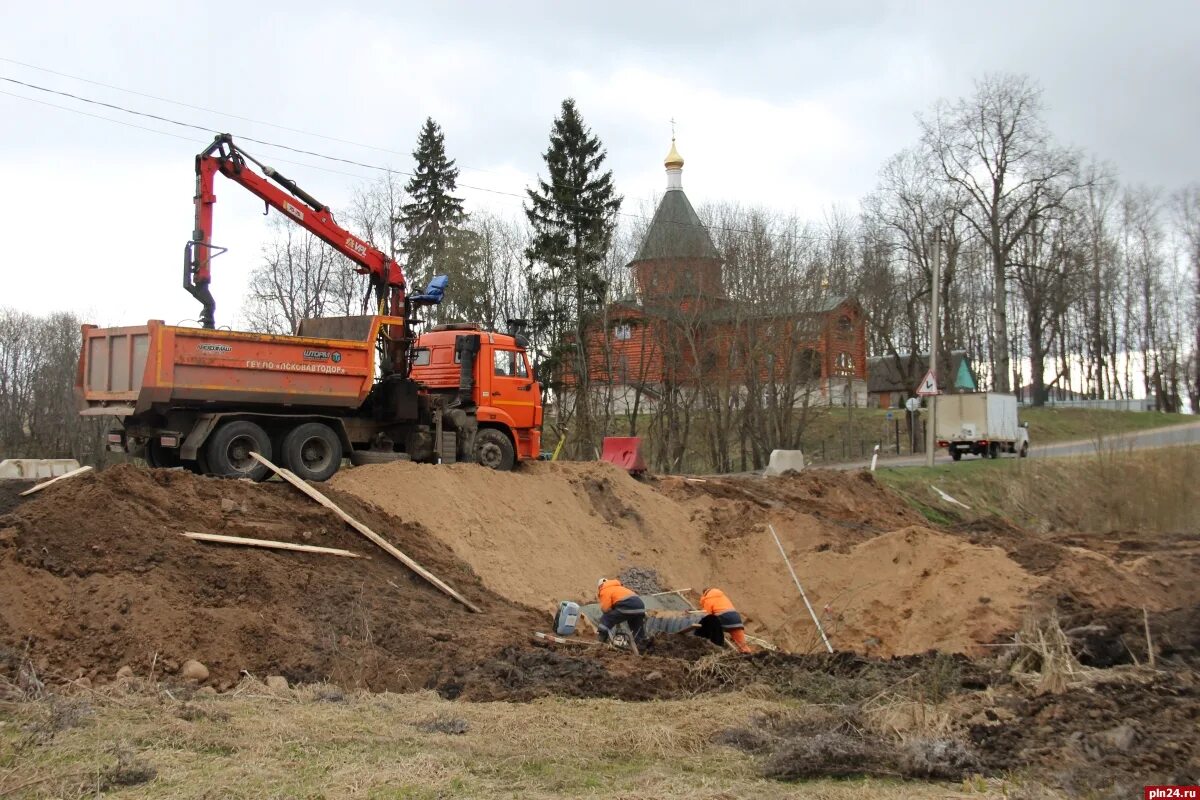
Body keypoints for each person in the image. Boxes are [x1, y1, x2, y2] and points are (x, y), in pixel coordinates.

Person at [697, 587, 752, 654]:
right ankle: (749, 656)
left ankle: (716, 649)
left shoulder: (707, 599)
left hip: (724, 618)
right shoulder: (722, 596)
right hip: (736, 618)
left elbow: (707, 614)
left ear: (704, 594)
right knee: (742, 644)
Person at [595, 577, 647, 646]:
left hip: (627, 605)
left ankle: (601, 641)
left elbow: (605, 609)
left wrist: (611, 611)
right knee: (636, 628)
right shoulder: (619, 587)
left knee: (606, 618)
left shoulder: (604, 589)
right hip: (640, 606)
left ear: (600, 586)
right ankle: (641, 646)